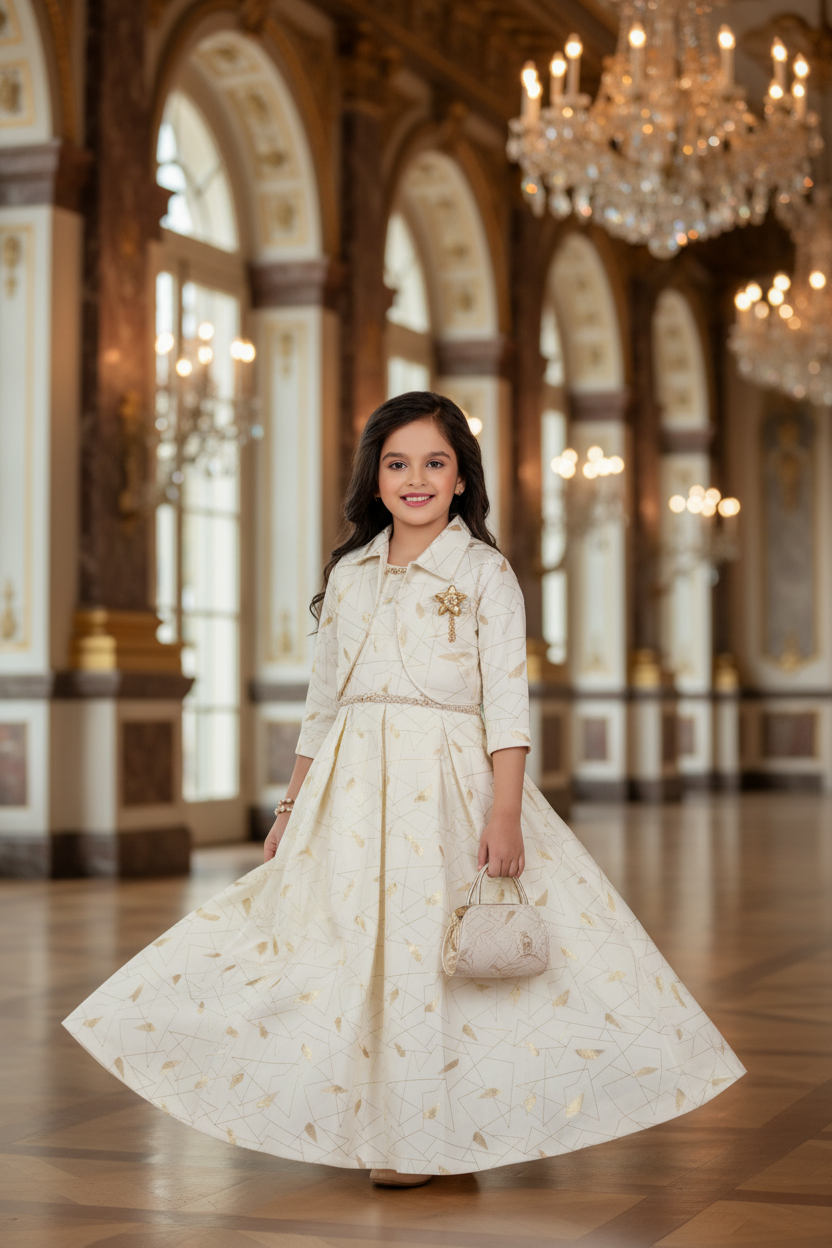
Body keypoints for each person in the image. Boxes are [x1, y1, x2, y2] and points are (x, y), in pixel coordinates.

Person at [63, 391, 744, 1187]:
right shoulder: (349, 575)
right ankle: (360, 1113)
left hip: (449, 789)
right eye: (397, 463)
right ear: (375, 479)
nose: (414, 477)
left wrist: (504, 813)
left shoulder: (485, 573)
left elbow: (507, 708)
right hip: (348, 793)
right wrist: (290, 807)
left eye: (434, 462)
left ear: (460, 480)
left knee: (432, 954)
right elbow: (322, 709)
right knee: (336, 949)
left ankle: (422, 1134)